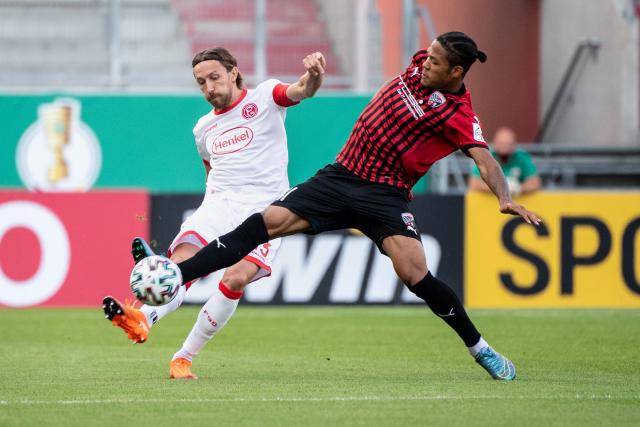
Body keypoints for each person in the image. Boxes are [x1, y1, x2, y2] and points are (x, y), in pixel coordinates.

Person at [136, 31, 542, 381]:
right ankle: (175, 274)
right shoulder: (422, 63)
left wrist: (505, 198)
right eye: (428, 54)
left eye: (435, 61)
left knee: (415, 274)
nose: (424, 62)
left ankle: (480, 348)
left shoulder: (458, 114)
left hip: (386, 196)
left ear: (456, 72)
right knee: (265, 223)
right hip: (341, 176)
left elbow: (485, 159)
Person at [102, 47, 326, 379]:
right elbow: (211, 172)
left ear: (234, 72)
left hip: (266, 210)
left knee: (235, 277)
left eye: (214, 77)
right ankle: (143, 319)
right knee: (182, 264)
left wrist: (315, 75)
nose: (208, 87)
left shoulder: (265, 97)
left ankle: (183, 357)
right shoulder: (203, 129)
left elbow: (301, 90)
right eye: (201, 82)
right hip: (219, 204)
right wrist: (207, 211)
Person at [468, 126, 542, 196]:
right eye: (502, 143)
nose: (505, 147)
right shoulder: (486, 157)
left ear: (514, 144)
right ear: (495, 143)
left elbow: (535, 182)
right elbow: (474, 183)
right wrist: (501, 189)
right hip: (488, 205)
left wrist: (518, 188)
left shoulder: (521, 157)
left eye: (509, 143)